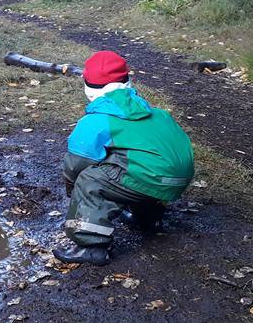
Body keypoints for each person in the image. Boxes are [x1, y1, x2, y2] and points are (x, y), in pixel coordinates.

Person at [54, 50, 194, 266]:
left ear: (88, 87)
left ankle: (92, 246)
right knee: (134, 166)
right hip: (179, 179)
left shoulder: (96, 121)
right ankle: (147, 218)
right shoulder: (158, 113)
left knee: (91, 179)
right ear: (127, 81)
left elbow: (75, 165)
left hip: (151, 177)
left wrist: (74, 192)